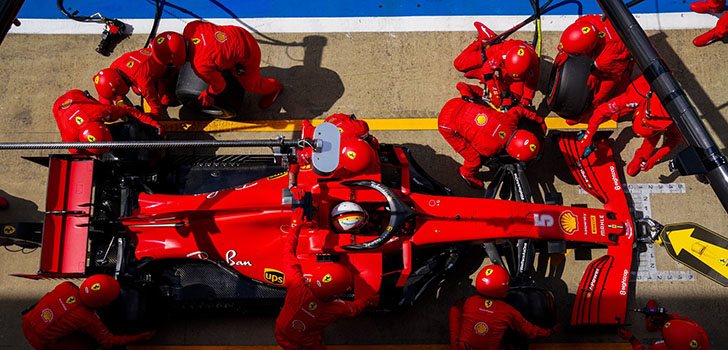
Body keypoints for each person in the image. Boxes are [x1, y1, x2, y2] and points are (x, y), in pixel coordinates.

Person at [274, 207, 378, 349]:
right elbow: (354, 309)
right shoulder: (336, 309)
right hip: (307, 342)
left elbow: (288, 252)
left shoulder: (296, 284)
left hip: (281, 332)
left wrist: (295, 226)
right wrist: (368, 300)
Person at [150, 20, 283, 109]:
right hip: (238, 33)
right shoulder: (191, 27)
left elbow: (220, 85)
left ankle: (274, 88)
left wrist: (209, 94)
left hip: (249, 54)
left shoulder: (201, 66)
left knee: (251, 85)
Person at [577, 75, 682, 176]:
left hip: (653, 117)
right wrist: (589, 134)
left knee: (651, 135)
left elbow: (674, 139)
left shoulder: (674, 119)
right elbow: (601, 112)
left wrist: (654, 159)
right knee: (615, 115)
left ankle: (641, 156)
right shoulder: (635, 95)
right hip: (641, 92)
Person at [22, 274, 155, 349]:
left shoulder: (66, 286)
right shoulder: (88, 318)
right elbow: (109, 341)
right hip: (42, 342)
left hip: (28, 320)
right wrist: (139, 337)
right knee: (89, 346)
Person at [438, 97, 543, 189]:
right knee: (474, 159)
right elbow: (478, 149)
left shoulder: (510, 120)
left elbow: (519, 110)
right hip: (447, 125)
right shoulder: (490, 150)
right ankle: (466, 174)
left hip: (457, 103)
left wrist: (539, 120)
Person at [449, 265, 555, 350]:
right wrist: (549, 331)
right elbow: (530, 331)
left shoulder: (469, 302)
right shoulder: (508, 311)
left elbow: (455, 311)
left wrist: (456, 344)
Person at [554, 15, 632, 121]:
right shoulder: (584, 21)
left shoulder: (605, 59)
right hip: (618, 24)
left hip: (624, 49)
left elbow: (612, 77)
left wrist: (595, 74)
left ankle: (592, 109)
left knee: (604, 94)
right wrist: (565, 50)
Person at [453, 22, 540, 110]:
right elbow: (487, 69)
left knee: (513, 102)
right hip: (498, 52)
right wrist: (495, 93)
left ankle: (484, 77)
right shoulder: (502, 53)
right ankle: (484, 40)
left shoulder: (533, 65)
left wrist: (523, 104)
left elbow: (529, 91)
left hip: (514, 76)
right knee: (459, 64)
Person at [52, 89, 162, 156]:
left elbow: (129, 111)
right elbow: (83, 155)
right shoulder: (71, 143)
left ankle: (117, 99)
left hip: (75, 95)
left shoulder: (101, 112)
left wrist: (152, 123)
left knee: (118, 112)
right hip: (58, 108)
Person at [94, 47, 178, 117]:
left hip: (168, 68)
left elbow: (156, 109)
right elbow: (106, 87)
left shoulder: (142, 83)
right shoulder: (114, 66)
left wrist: (145, 118)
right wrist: (118, 102)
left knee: (165, 100)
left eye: (116, 94)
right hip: (152, 55)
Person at [618, 300, 710, 349]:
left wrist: (632, 339)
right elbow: (684, 321)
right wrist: (666, 317)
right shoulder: (700, 337)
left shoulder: (657, 348)